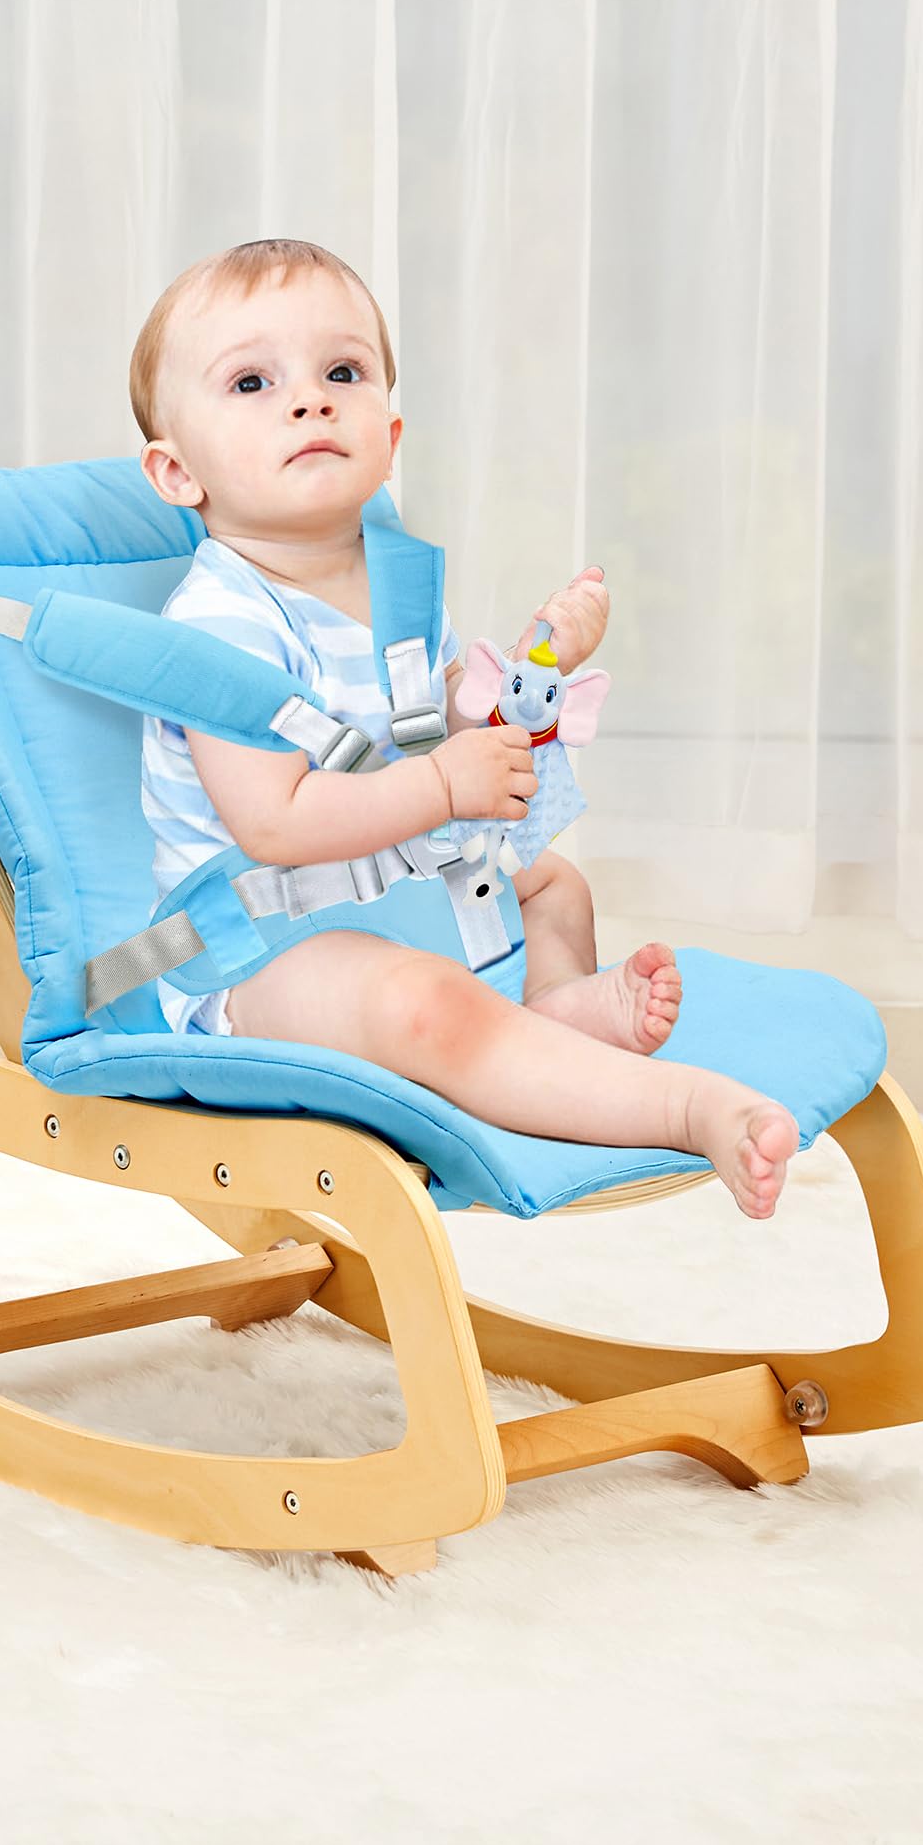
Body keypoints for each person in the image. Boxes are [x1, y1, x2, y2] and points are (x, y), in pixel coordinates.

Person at [131, 239, 799, 1219]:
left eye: (341, 373)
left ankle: (551, 1008)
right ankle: (683, 1106)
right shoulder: (216, 625)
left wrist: (523, 674)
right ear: (177, 471)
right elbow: (274, 822)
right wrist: (445, 785)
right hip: (262, 950)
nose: (309, 401)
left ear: (389, 435)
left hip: (389, 887)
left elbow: (426, 718)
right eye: (252, 382)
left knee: (553, 883)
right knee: (420, 1001)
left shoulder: (394, 582)